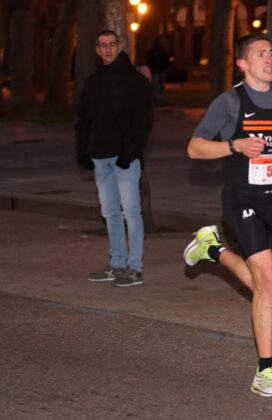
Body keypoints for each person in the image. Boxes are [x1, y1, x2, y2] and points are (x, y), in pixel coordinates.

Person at [183, 33, 272, 397]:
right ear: (242, 63)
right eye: (260, 55)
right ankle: (265, 372)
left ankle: (212, 250)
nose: (269, 59)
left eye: (271, 53)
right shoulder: (229, 102)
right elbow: (194, 149)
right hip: (241, 200)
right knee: (267, 282)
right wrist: (234, 145)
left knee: (267, 287)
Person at [75, 29, 153, 287]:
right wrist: (83, 151)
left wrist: (129, 152)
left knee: (131, 212)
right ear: (97, 50)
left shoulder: (135, 81)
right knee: (110, 213)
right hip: (100, 158)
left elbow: (143, 120)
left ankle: (135, 268)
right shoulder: (92, 82)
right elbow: (83, 120)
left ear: (119, 47)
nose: (107, 49)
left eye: (111, 44)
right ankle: (117, 263)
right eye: (102, 45)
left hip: (124, 158)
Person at [145, 39, 170, 105]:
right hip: (159, 70)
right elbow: (166, 59)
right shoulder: (161, 51)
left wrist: (151, 67)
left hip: (156, 70)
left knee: (156, 85)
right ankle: (160, 99)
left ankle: (157, 99)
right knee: (160, 85)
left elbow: (148, 60)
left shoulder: (152, 51)